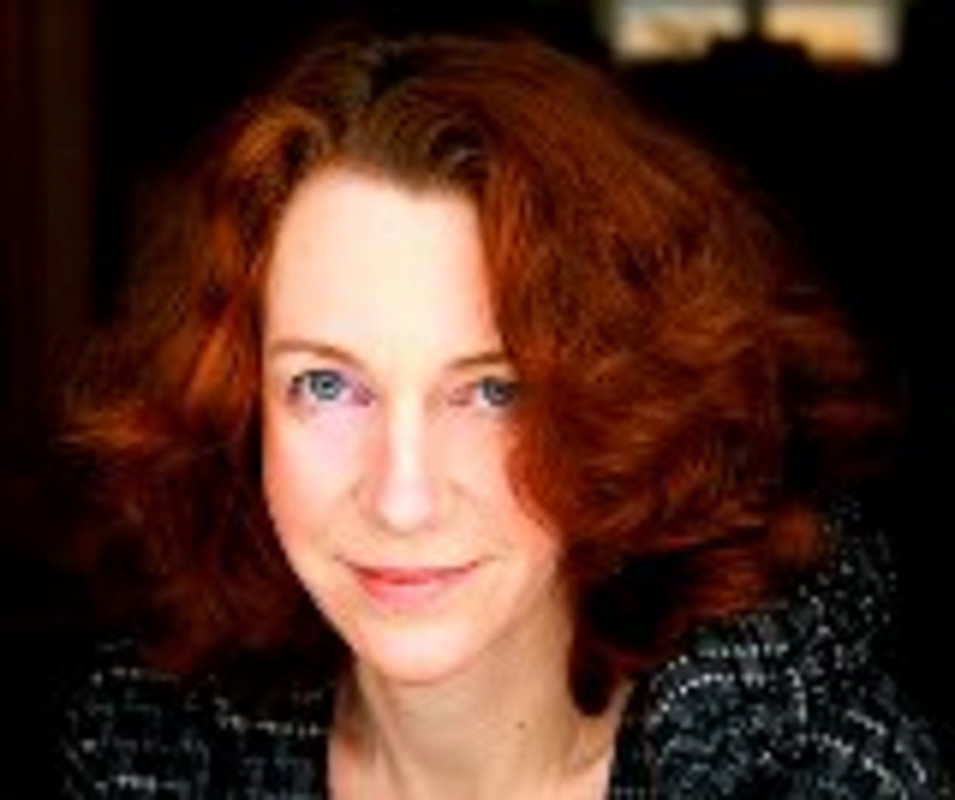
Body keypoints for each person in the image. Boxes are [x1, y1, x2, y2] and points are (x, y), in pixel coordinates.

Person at [56, 27, 949, 798]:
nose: (402, 500)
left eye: (492, 391)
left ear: (625, 415)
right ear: (238, 408)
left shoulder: (825, 777)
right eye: (327, 385)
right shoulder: (150, 749)